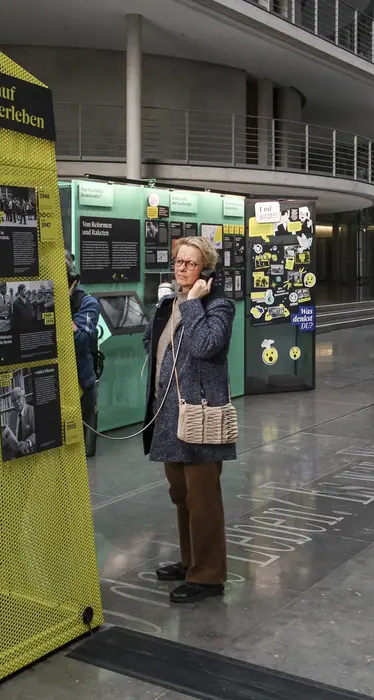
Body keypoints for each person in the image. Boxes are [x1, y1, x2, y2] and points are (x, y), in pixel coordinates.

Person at [143, 236, 236, 604]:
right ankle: (190, 561)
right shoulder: (169, 303)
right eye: (178, 262)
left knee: (203, 499)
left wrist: (195, 302)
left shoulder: (220, 306)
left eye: (190, 263)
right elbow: (155, 346)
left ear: (206, 270)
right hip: (168, 415)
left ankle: (209, 575)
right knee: (181, 495)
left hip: (199, 416)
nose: (181, 268)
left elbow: (204, 346)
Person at [68, 254, 101, 458]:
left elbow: (79, 342)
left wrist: (60, 307)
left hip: (80, 382)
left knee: (76, 448)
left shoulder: (87, 303)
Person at [1, 386, 35, 458]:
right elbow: (11, 434)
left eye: (18, 397)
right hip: (15, 453)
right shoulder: (12, 415)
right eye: (13, 400)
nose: (16, 401)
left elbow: (37, 432)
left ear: (24, 397)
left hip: (29, 453)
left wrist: (27, 442)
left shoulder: (32, 411)